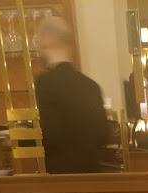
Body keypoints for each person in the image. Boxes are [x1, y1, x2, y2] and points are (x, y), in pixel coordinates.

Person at [34, 16, 109, 173]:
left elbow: (50, 134)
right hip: (92, 172)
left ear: (46, 41)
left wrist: (18, 140)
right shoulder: (91, 86)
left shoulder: (45, 82)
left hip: (60, 176)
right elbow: (103, 134)